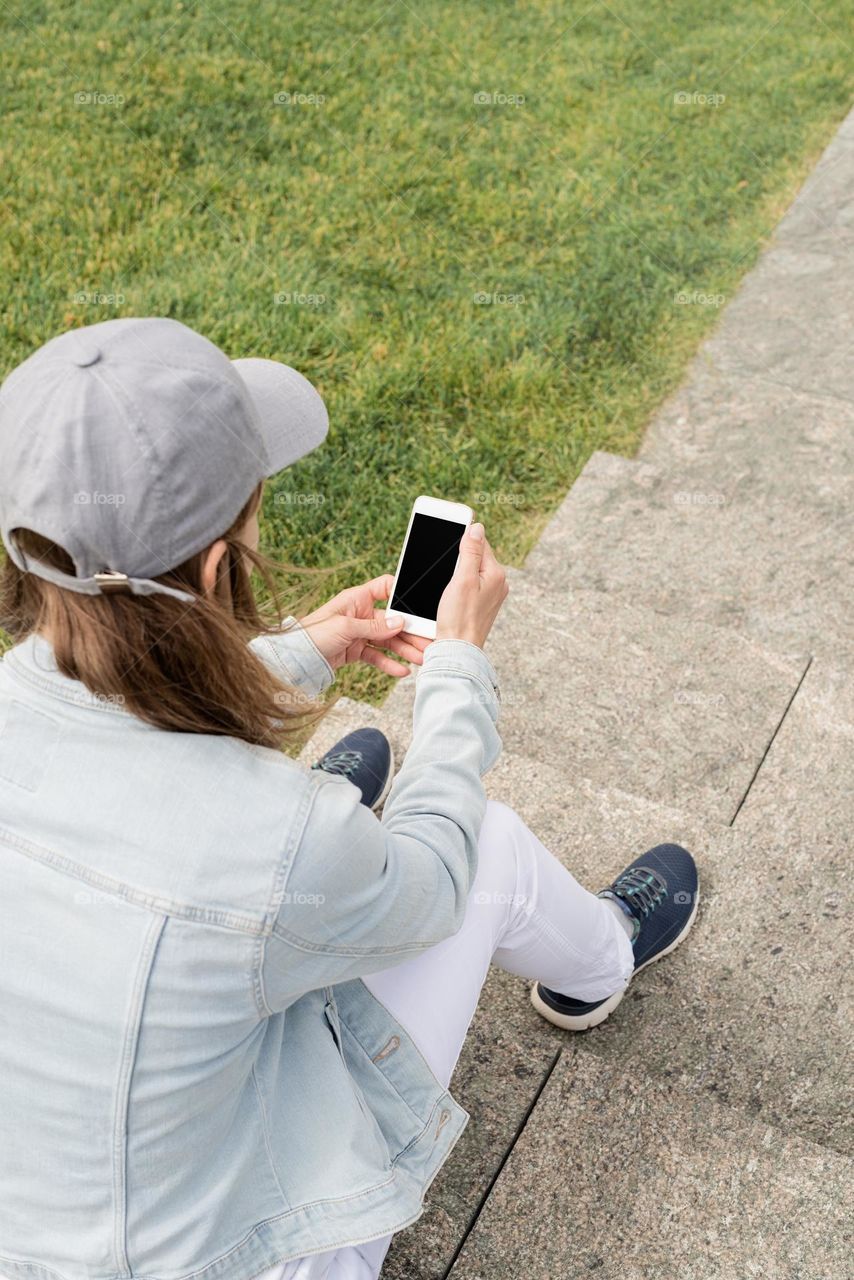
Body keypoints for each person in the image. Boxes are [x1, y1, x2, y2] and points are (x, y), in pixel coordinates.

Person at [0, 318, 699, 1280]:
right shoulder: (274, 838)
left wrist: (299, 655)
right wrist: (457, 672)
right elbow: (433, 880)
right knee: (484, 844)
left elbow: (106, 696)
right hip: (250, 1256)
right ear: (217, 567)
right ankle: (600, 963)